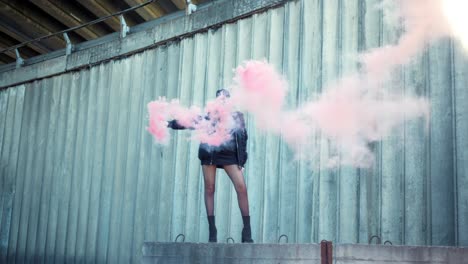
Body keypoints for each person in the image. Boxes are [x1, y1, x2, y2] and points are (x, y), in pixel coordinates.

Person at [167, 89, 253, 243]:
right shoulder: (209, 116)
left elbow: (243, 137)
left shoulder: (237, 116)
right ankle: (212, 231)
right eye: (220, 99)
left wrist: (242, 161)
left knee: (241, 188)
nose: (223, 101)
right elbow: (189, 122)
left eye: (225, 99)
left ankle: (247, 231)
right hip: (210, 154)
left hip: (229, 155)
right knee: (209, 189)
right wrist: (170, 123)